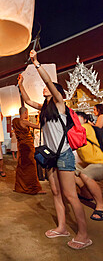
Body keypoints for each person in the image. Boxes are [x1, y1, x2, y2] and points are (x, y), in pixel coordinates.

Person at [18, 49, 92, 250]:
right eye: (44, 87)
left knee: (70, 195)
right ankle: (62, 227)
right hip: (49, 156)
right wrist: (21, 85)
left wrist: (36, 63)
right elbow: (27, 101)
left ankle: (84, 234)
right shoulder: (45, 110)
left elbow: (49, 82)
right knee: (56, 193)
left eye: (47, 87)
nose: (44, 89)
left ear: (55, 91)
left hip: (64, 155)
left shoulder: (60, 104)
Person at [75, 112, 103, 221]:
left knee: (85, 175)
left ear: (85, 119)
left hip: (100, 161)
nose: (75, 120)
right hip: (89, 162)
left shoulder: (85, 127)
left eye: (78, 118)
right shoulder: (78, 129)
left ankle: (100, 206)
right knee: (70, 170)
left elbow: (72, 138)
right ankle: (86, 194)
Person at [12, 107, 46, 195]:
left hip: (21, 146)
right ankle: (33, 188)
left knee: (21, 166)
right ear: (26, 113)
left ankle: (20, 187)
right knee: (31, 167)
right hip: (27, 147)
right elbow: (38, 126)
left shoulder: (15, 121)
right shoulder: (24, 122)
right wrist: (40, 116)